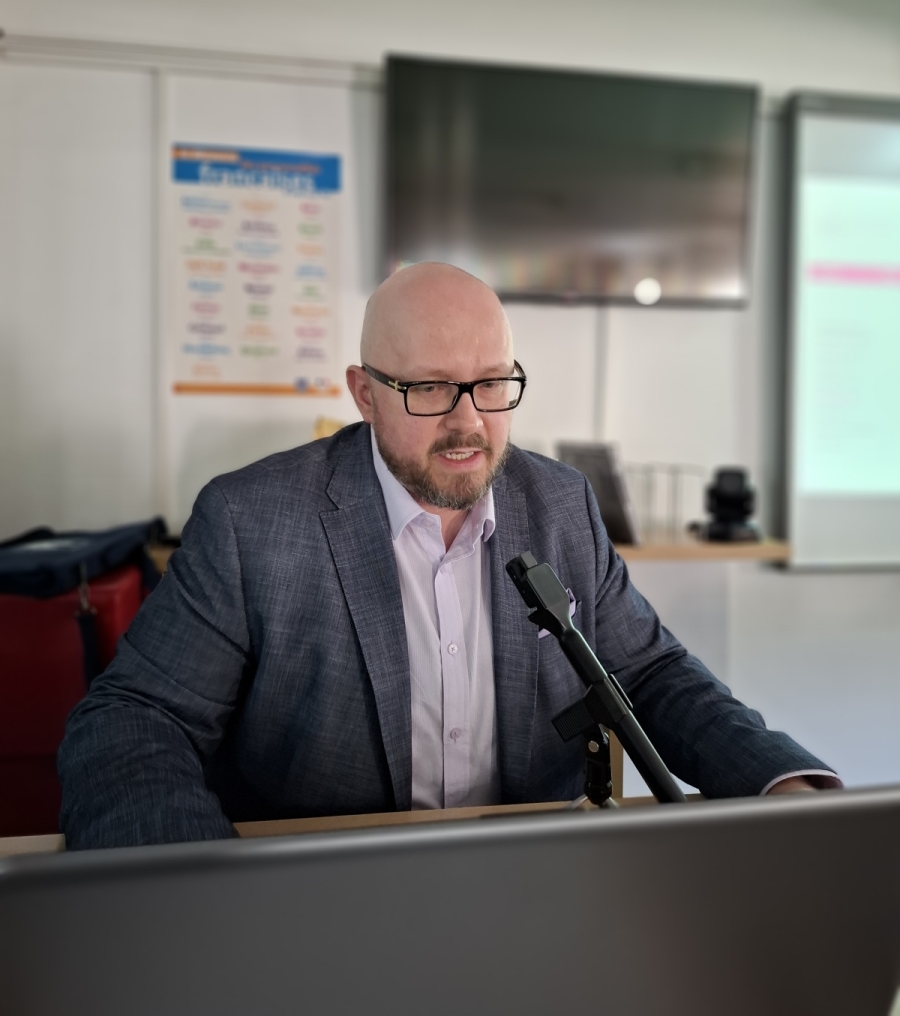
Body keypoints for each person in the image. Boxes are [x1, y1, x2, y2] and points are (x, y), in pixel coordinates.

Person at [59, 263, 837, 848]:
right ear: (364, 394)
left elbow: (651, 673)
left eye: (491, 383)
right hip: (321, 897)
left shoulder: (561, 503)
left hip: (532, 882)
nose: (468, 423)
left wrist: (782, 783)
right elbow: (135, 719)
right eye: (430, 388)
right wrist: (199, 895)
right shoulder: (250, 521)